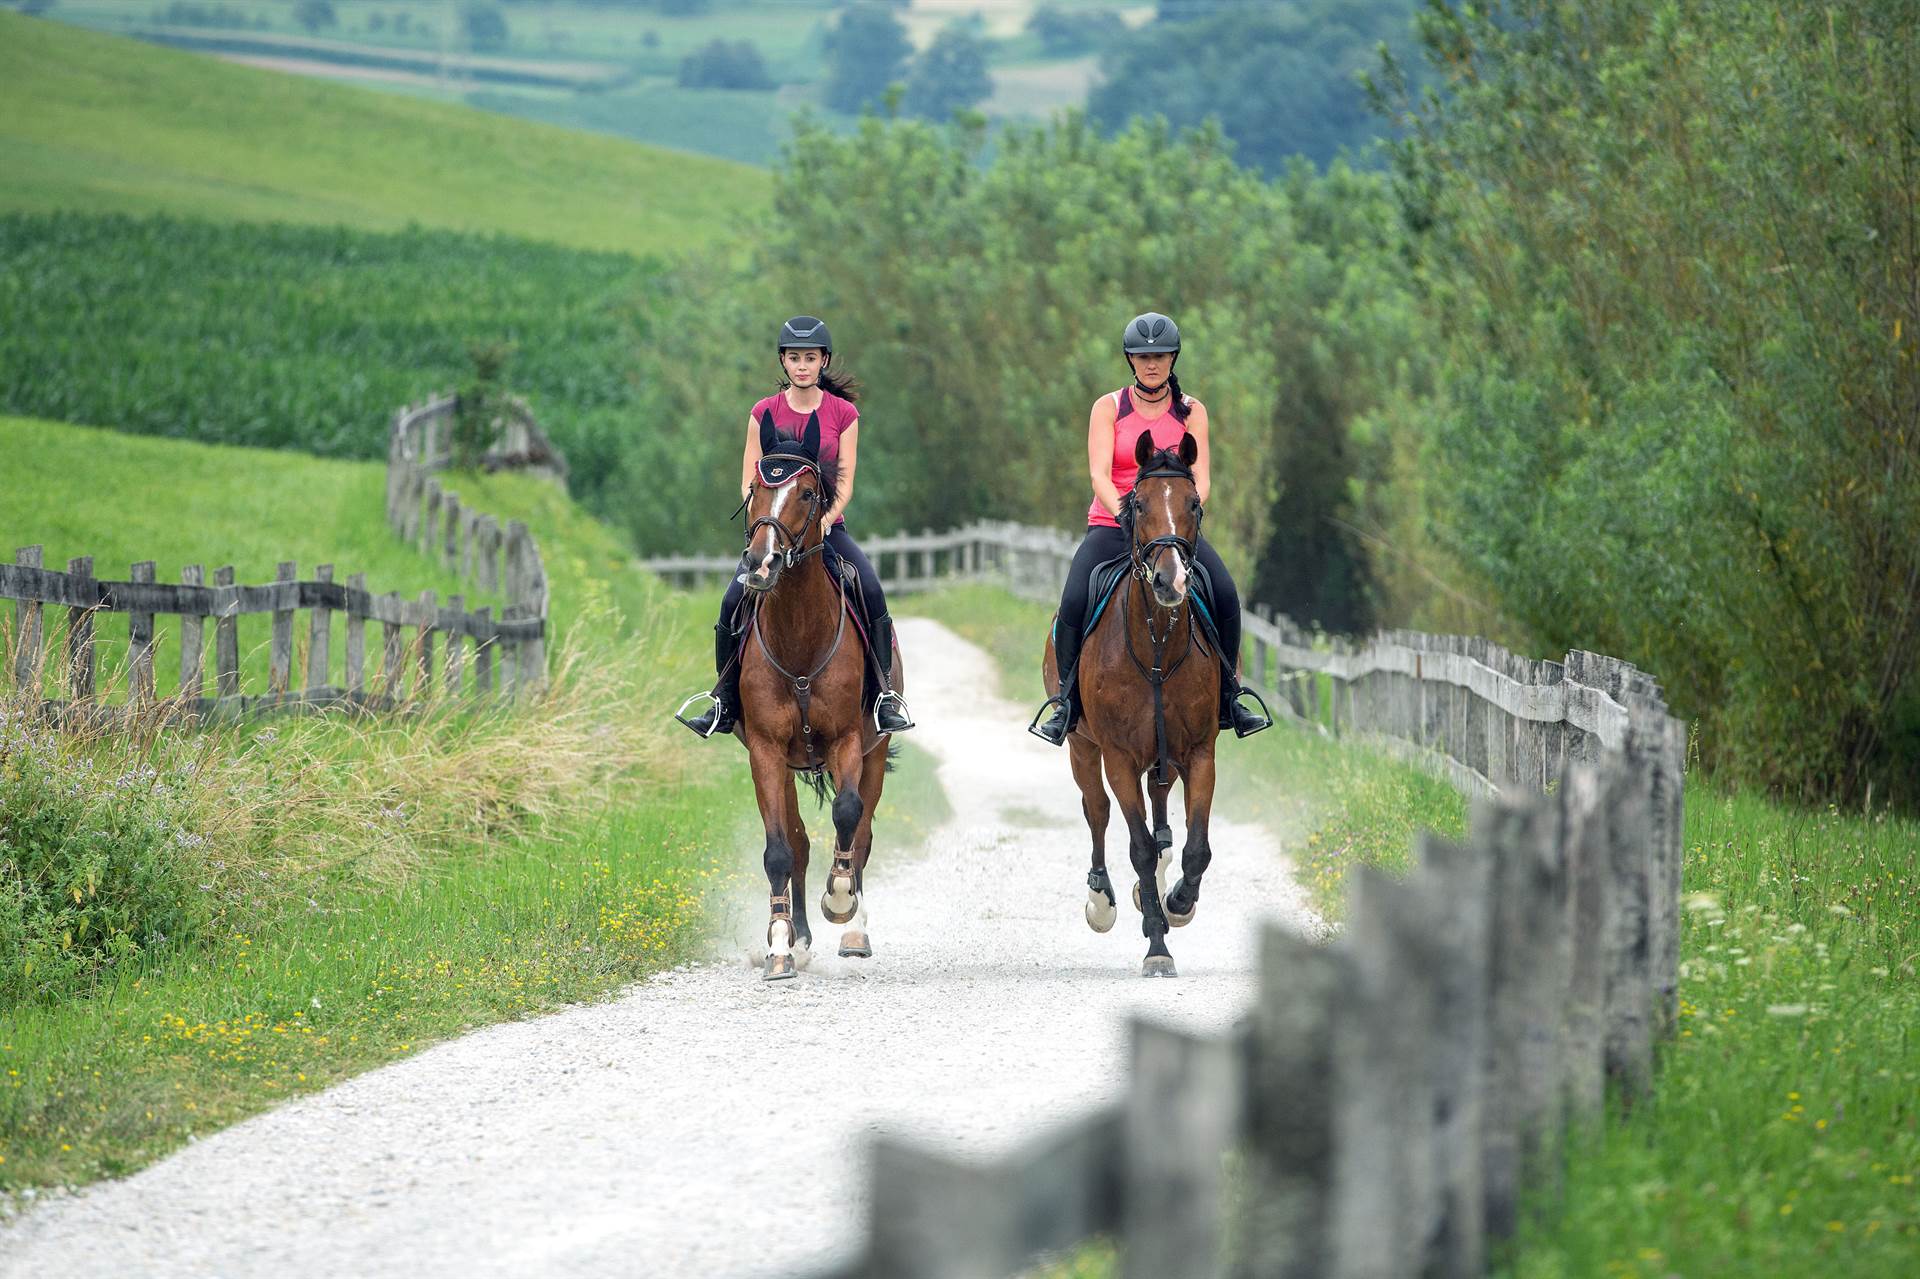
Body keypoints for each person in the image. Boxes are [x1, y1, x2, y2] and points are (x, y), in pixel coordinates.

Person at [1029, 311, 1270, 744]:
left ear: (1173, 358)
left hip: (1172, 529)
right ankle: (1065, 703)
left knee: (1225, 591)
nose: (1151, 363)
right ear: (1130, 361)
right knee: (1075, 596)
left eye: (1160, 356)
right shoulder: (1109, 408)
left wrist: (1180, 520)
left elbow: (1202, 478)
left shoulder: (1192, 411)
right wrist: (1125, 512)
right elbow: (1100, 473)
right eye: (1143, 357)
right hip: (1113, 523)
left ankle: (1232, 696)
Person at [676, 316, 914, 738]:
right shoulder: (762, 413)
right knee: (733, 600)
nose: (801, 365)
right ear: (783, 362)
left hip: (825, 531)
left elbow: (844, 484)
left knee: (872, 591)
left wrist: (820, 524)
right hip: (772, 531)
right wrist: (762, 530)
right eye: (793, 358)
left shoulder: (845, 414)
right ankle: (724, 700)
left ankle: (883, 698)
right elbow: (750, 479)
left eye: (809, 358)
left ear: (823, 361)